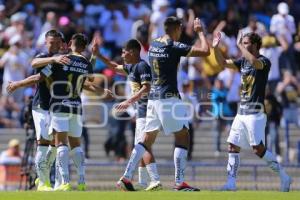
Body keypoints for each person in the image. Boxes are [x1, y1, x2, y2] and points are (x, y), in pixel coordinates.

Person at [117, 16, 210, 191]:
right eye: (181, 29)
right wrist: (200, 33)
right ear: (177, 28)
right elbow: (206, 51)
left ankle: (126, 177)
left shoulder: (154, 44)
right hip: (169, 98)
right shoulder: (174, 46)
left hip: (153, 98)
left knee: (146, 139)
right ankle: (179, 182)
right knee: (183, 136)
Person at [213, 31, 292, 191]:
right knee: (232, 146)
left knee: (258, 149)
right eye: (243, 42)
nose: (244, 44)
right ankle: (231, 183)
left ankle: (284, 176)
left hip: (255, 113)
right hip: (241, 112)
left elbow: (255, 63)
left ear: (255, 45)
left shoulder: (264, 61)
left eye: (247, 42)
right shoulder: (242, 62)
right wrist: (216, 49)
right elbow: (223, 63)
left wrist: (239, 46)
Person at [93, 38, 162, 191]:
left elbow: (146, 88)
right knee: (143, 146)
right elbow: (113, 66)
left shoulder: (142, 66)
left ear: (133, 52)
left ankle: (143, 178)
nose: (122, 55)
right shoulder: (132, 68)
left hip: (147, 110)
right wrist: (98, 55)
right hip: (142, 111)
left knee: (141, 145)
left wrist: (128, 102)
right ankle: (145, 182)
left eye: (124, 52)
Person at [46, 33, 93, 191]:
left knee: (61, 143)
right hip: (76, 106)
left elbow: (42, 75)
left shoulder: (62, 58)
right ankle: (81, 179)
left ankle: (64, 181)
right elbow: (90, 80)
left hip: (60, 104)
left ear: (71, 42)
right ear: (84, 47)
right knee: (76, 144)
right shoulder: (86, 63)